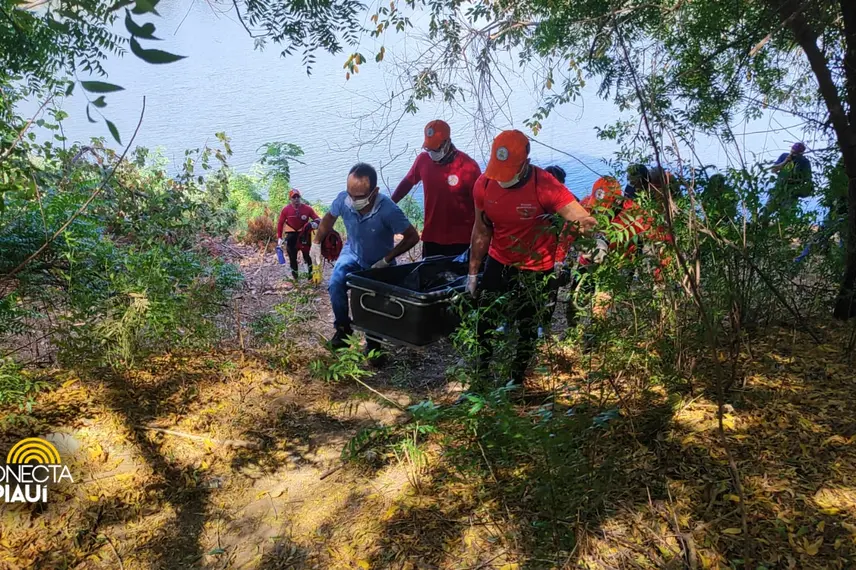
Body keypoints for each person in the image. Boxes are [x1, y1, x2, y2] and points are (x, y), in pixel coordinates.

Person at [466, 130, 596, 389]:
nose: (502, 177)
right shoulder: (485, 184)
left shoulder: (544, 185)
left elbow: (582, 219)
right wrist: (472, 273)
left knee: (527, 327)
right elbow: (482, 230)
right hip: (498, 260)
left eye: (508, 171)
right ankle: (480, 379)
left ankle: (515, 382)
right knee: (485, 321)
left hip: (535, 267)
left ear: (525, 162)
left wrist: (595, 239)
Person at [311, 163, 420, 358]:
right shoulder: (344, 201)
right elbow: (328, 219)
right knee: (335, 284)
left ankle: (374, 345)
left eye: (359, 197)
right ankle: (343, 330)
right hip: (352, 252)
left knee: (372, 301)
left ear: (374, 191)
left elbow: (412, 237)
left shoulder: (388, 210)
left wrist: (387, 260)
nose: (353, 200)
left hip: (379, 261)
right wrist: (316, 242)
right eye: (350, 194)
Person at [392, 120, 482, 258]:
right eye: (429, 148)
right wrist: (390, 204)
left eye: (436, 148)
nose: (432, 152)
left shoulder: (468, 166)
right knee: (428, 278)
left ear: (447, 142)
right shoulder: (422, 160)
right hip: (432, 236)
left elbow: (481, 203)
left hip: (461, 239)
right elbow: (407, 183)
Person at [276, 189, 321, 280]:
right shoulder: (286, 210)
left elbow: (318, 219)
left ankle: (310, 277)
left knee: (308, 256)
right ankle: (295, 278)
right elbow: (280, 223)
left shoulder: (307, 209)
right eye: (294, 197)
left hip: (304, 235)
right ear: (290, 199)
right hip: (291, 235)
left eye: (298, 197)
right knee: (292, 258)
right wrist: (279, 238)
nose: (296, 199)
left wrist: (314, 223)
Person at [766, 142, 813, 217]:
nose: (793, 154)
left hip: (791, 193)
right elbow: (773, 170)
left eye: (795, 153)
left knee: (785, 216)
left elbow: (807, 178)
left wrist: (795, 181)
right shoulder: (784, 156)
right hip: (778, 189)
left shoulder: (804, 162)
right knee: (767, 211)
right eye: (792, 151)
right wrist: (785, 161)